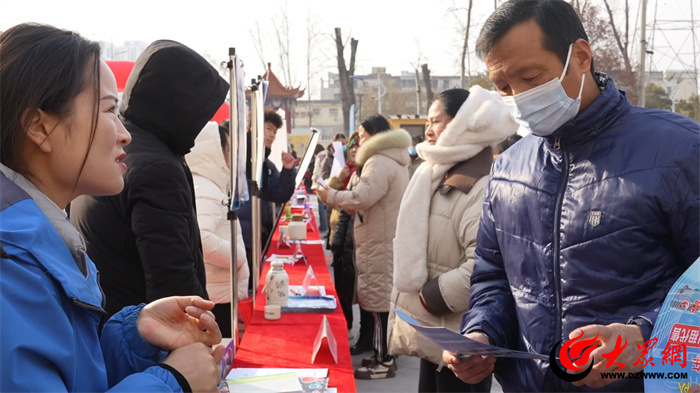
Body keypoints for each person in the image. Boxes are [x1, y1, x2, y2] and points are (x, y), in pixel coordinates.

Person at [443, 1, 699, 391]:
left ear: (580, 56)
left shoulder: (680, 151)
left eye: (530, 77)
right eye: (504, 87)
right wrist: (482, 334)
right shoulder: (509, 168)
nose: (519, 97)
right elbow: (493, 279)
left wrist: (645, 336)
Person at [0, 23, 223, 392]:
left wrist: (134, 336)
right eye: (107, 110)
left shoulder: (37, 242)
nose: (125, 133)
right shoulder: (11, 268)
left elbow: (70, 376)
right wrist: (174, 382)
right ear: (39, 127)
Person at [70, 39, 229, 317]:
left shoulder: (119, 150)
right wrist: (196, 339)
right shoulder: (157, 168)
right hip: (143, 339)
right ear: (179, 105)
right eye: (200, 111)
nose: (201, 123)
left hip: (111, 324)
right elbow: (172, 281)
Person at [389, 86, 517, 392]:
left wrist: (429, 298)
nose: (429, 130)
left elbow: (483, 265)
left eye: (436, 121)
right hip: (434, 331)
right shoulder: (438, 174)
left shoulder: (479, 184)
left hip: (462, 336)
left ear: (463, 122)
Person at [317, 115, 412, 380]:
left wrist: (331, 196)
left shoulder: (379, 161)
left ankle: (383, 360)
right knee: (380, 301)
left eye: (362, 134)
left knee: (380, 304)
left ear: (375, 134)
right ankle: (382, 355)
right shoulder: (390, 158)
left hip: (379, 241)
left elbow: (363, 196)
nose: (358, 139)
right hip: (379, 238)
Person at [186, 121, 250, 338]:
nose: (232, 156)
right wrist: (238, 256)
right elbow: (202, 238)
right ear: (213, 150)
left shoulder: (209, 185)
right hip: (217, 290)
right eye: (228, 149)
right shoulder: (206, 189)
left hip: (218, 286)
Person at [237, 109, 296, 289]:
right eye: (269, 129)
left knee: (251, 285)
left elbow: (279, 195)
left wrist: (288, 171)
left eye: (275, 131)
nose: (272, 135)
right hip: (238, 235)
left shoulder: (266, 164)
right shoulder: (238, 155)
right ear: (254, 126)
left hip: (256, 234)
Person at [326, 131, 360, 329]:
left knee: (351, 287)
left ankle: (350, 327)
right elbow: (326, 194)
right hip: (337, 228)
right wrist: (339, 179)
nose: (354, 150)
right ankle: (345, 325)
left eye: (358, 146)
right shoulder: (345, 169)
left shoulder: (364, 172)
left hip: (353, 236)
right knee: (341, 285)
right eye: (352, 146)